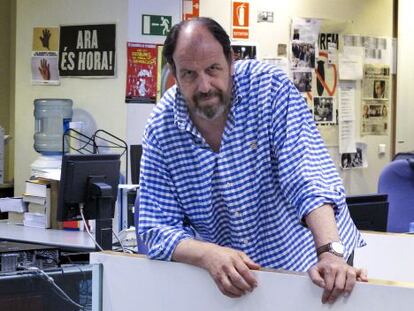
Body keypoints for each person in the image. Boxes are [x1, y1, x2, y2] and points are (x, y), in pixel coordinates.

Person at [137, 17, 367, 304]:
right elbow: (155, 227)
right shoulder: (161, 128)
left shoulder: (268, 89)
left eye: (213, 69)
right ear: (173, 72)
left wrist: (331, 252)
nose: (205, 85)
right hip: (234, 277)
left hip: (309, 258)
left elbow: (307, 176)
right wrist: (208, 253)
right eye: (189, 74)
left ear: (231, 61)